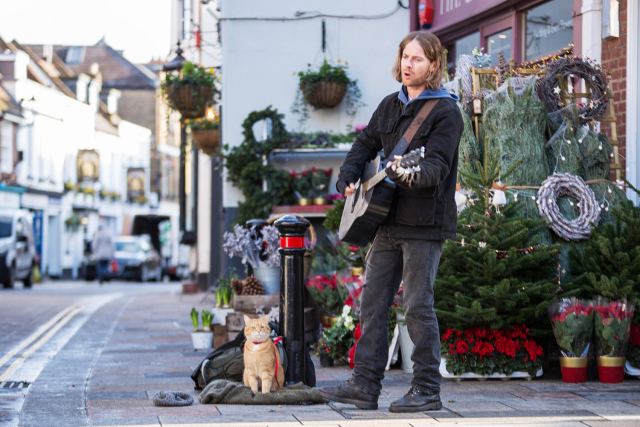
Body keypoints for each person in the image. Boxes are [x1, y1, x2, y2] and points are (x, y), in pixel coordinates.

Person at [318, 31, 463, 413]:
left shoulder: (446, 111)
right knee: (372, 303)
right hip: (385, 220)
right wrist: (348, 174)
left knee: (417, 306)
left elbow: (436, 166)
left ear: (433, 65)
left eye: (416, 59)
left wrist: (408, 174)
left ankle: (427, 390)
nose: (407, 65)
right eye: (404, 57)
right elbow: (365, 144)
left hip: (425, 224)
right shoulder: (389, 104)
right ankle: (365, 386)